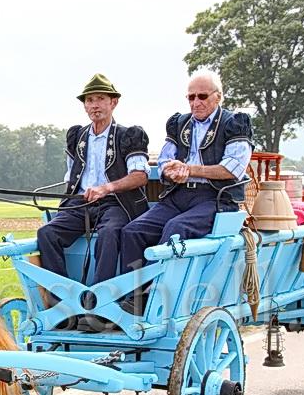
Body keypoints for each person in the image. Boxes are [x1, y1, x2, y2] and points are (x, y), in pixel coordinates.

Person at [118, 70, 253, 315]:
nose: (195, 102)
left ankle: (154, 296)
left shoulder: (234, 123)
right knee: (132, 231)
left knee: (175, 230)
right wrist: (171, 171)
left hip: (215, 199)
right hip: (177, 196)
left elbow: (232, 168)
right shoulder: (179, 123)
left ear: (218, 97)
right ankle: (132, 296)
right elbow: (164, 160)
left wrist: (189, 169)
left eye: (202, 96)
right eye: (190, 97)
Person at [36, 73, 150, 302]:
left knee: (109, 234)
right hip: (80, 204)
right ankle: (63, 300)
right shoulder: (77, 136)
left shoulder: (128, 135)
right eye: (89, 100)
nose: (94, 105)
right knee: (46, 233)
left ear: (113, 102)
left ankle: (100, 300)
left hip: (116, 203)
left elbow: (140, 176)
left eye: (100, 99)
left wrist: (107, 188)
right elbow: (72, 176)